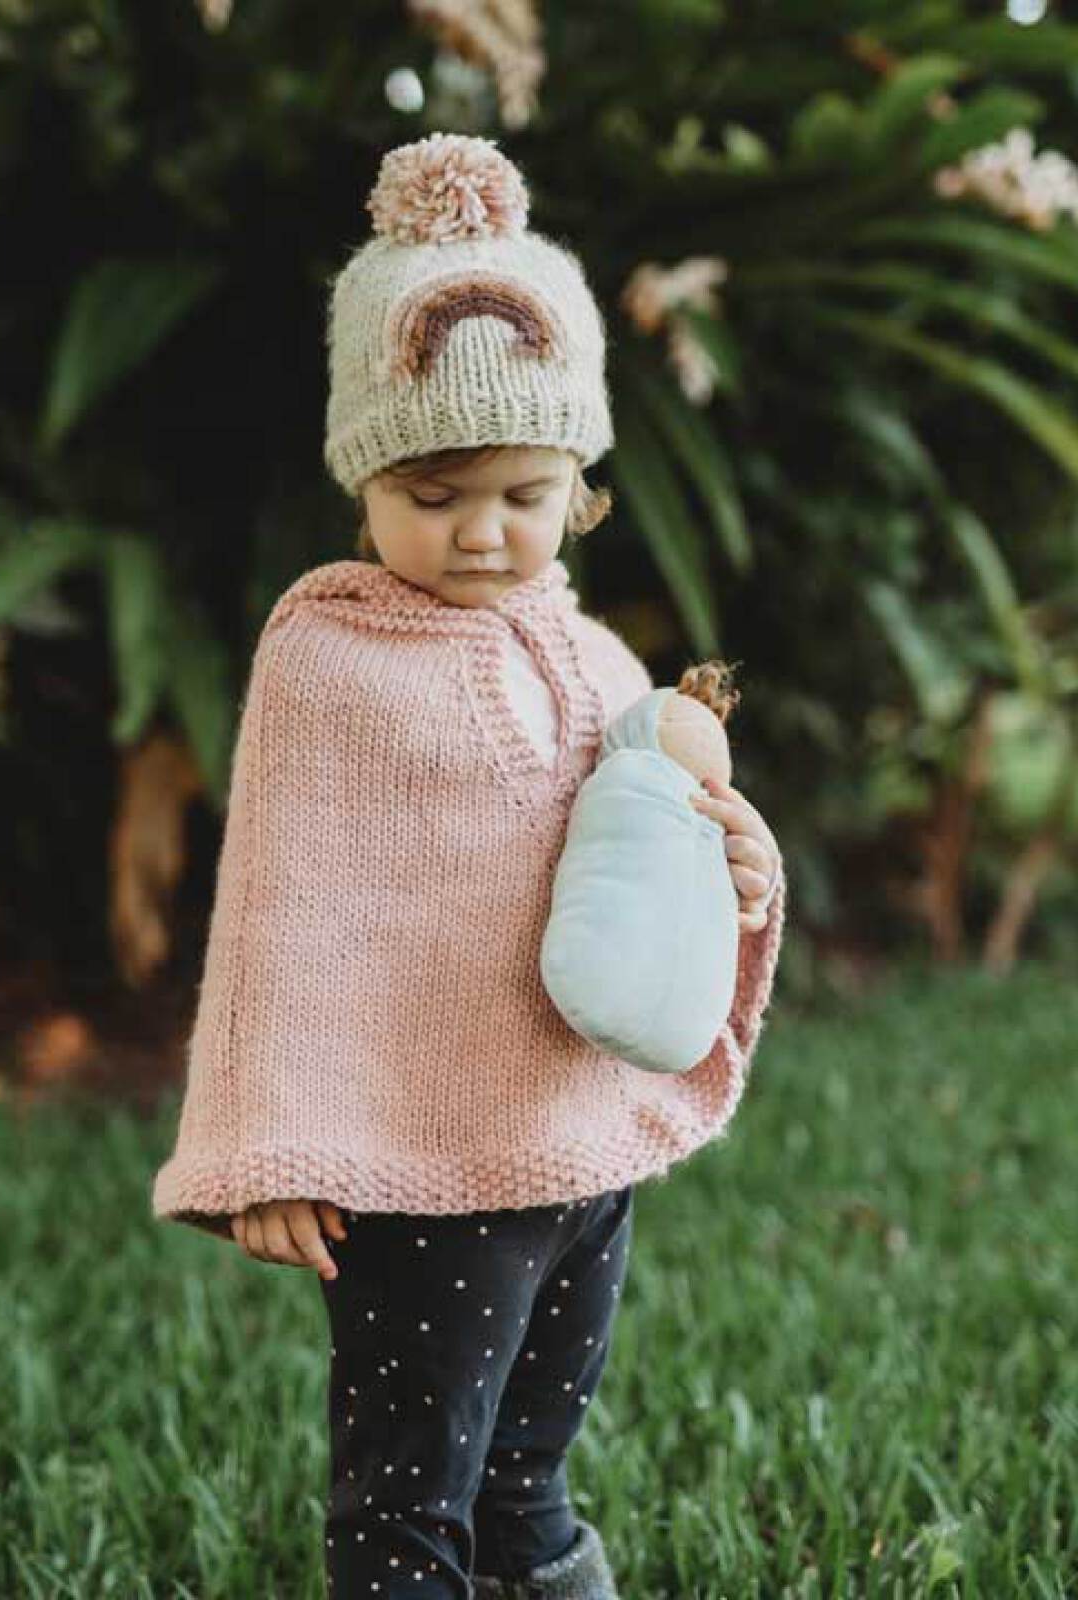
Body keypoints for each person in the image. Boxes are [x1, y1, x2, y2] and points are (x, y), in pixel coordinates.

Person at [151, 131, 786, 1600]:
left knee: (530, 1467)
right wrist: (272, 1140)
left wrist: (738, 860)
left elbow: (647, 867)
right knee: (408, 1499)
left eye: (520, 492)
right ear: (365, 480)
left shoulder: (600, 656)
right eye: (433, 497)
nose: (481, 533)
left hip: (578, 1147)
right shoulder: (329, 662)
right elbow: (278, 911)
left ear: (579, 482)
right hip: (421, 1172)